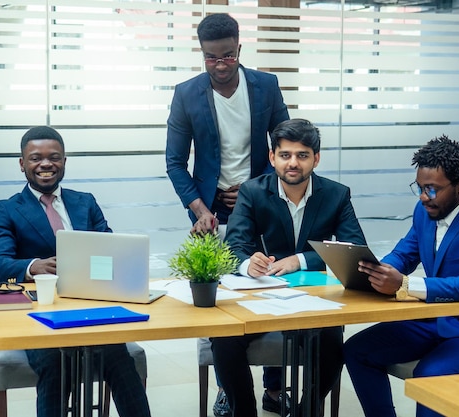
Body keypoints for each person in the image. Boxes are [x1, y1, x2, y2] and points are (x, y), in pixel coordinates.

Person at [344, 135, 459, 417]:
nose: (422, 196)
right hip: (435, 320)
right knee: (357, 350)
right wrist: (376, 271)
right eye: (419, 187)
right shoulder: (425, 209)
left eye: (431, 189)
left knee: (429, 375)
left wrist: (404, 284)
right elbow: (404, 254)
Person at [165, 13, 289, 416]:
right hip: (212, 208)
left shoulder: (265, 85)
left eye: (228, 56)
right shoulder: (186, 94)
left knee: (270, 286)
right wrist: (200, 209)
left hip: (260, 200)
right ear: (202, 54)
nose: (220, 65)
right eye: (210, 58)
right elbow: (174, 162)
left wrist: (255, 190)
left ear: (240, 48)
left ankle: (273, 389)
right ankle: (227, 388)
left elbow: (284, 147)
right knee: (221, 300)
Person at [0, 126, 151, 417]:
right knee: (54, 362)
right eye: (36, 158)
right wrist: (32, 266)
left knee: (117, 356)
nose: (46, 164)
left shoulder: (84, 202)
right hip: (38, 316)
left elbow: (113, 250)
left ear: (64, 161)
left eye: (54, 157)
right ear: (22, 163)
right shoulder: (7, 209)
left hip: (90, 310)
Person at [212, 118, 367, 417]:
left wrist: (301, 259)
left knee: (333, 343)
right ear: (273, 158)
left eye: (302, 155)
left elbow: (354, 249)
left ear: (316, 159)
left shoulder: (336, 194)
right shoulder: (252, 192)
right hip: (260, 295)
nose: (293, 163)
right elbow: (233, 248)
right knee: (224, 339)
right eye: (285, 155)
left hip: (315, 298)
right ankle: (245, 411)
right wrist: (248, 263)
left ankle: (305, 411)